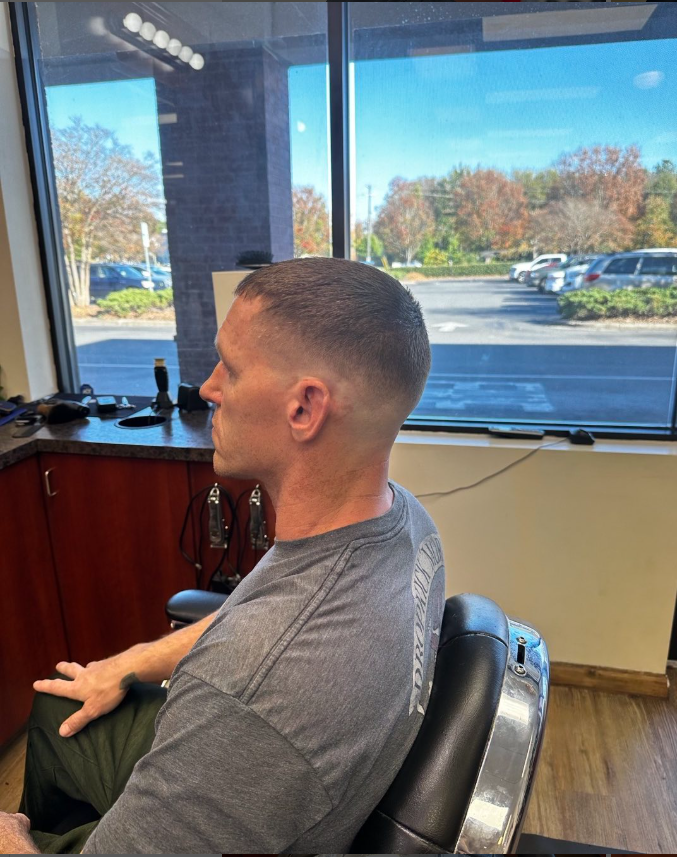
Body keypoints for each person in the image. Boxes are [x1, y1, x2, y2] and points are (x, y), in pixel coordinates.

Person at [2, 256, 446, 854]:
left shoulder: (248, 691)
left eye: (230, 369)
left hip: (251, 773)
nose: (208, 387)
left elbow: (254, 669)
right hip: (275, 754)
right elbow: (251, 610)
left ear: (305, 408)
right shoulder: (403, 521)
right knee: (58, 708)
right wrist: (131, 662)